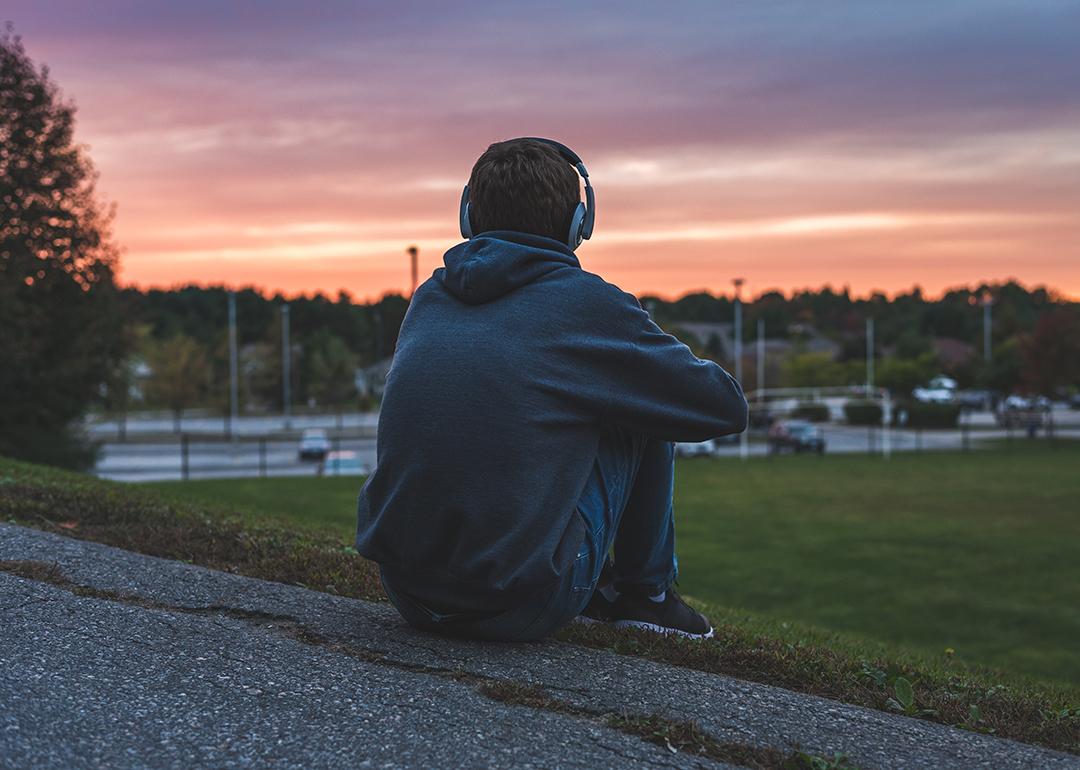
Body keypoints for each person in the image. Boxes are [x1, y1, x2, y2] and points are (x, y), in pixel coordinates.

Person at [356, 138, 747, 642]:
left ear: (468, 216)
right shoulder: (588, 305)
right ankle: (646, 597)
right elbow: (723, 406)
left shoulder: (430, 296)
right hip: (521, 602)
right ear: (578, 224)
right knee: (645, 405)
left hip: (408, 591)